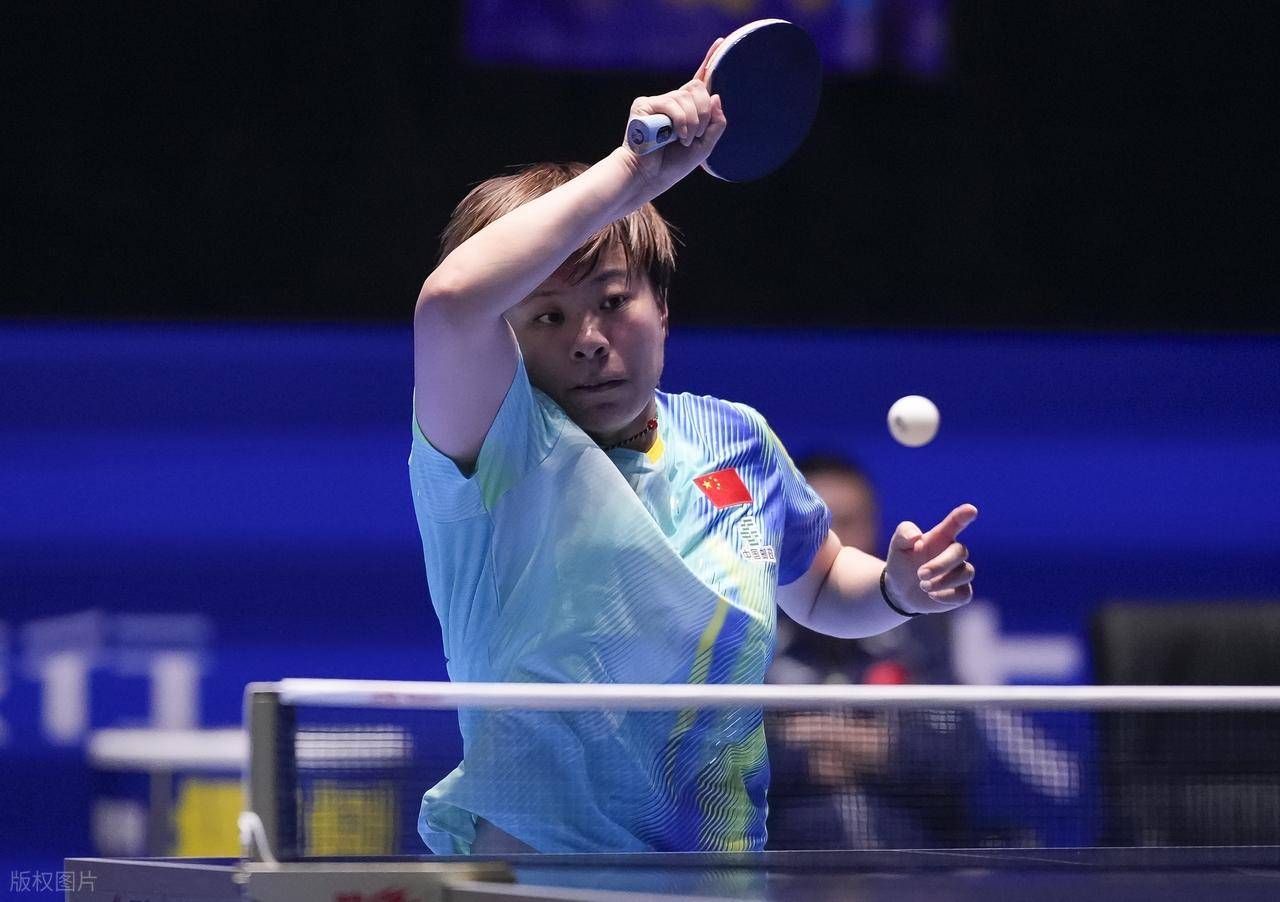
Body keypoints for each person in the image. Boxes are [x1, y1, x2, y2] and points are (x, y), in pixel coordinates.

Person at [408, 37, 978, 855]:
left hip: (716, 872)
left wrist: (894, 589)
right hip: (538, 875)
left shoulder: (732, 437)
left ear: (662, 307)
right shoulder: (495, 452)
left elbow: (819, 583)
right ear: (509, 338)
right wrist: (631, 176)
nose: (588, 339)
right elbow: (451, 302)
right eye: (548, 317)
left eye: (613, 302)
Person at [766, 455, 979, 849]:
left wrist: (877, 749)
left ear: (873, 527)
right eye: (815, 527)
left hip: (912, 866)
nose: (831, 543)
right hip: (784, 866)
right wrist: (805, 762)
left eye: (846, 523)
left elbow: (959, 752)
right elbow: (716, 756)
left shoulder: (920, 634)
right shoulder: (755, 631)